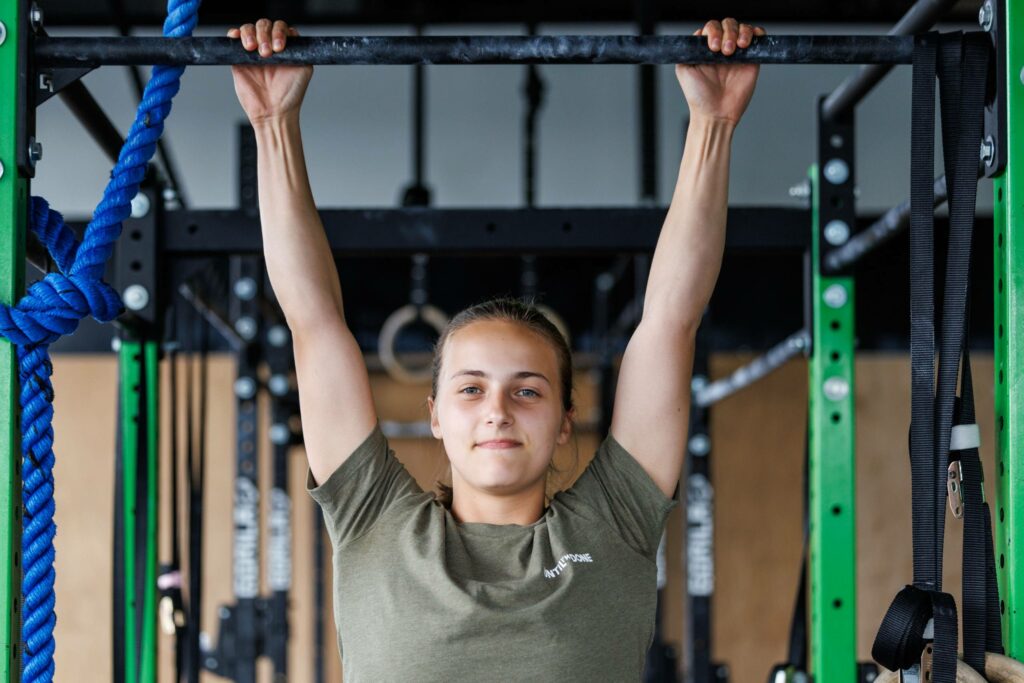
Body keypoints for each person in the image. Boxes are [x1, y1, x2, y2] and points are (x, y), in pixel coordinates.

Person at [228, 17, 764, 681]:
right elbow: (312, 320)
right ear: (435, 414)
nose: (498, 410)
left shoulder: (613, 523)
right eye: (472, 387)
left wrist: (711, 125)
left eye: (528, 389)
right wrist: (273, 123)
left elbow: (670, 320)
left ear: (566, 417)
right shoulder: (373, 519)